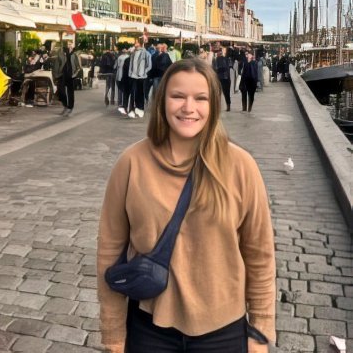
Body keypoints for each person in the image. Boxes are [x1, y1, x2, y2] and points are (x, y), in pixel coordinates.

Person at [97, 58, 275, 353]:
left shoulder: (241, 166)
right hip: (149, 327)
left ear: (213, 104)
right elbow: (109, 250)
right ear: (162, 99)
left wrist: (260, 330)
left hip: (223, 331)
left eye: (200, 98)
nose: (188, 107)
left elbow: (259, 254)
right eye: (178, 96)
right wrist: (113, 332)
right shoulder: (132, 163)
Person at [52, 40, 81, 116]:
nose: (69, 46)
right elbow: (56, 65)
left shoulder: (74, 55)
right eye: (68, 44)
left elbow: (78, 67)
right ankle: (65, 105)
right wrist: (56, 75)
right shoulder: (61, 54)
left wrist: (75, 74)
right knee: (61, 91)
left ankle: (70, 107)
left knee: (70, 92)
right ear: (66, 45)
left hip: (71, 76)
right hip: (62, 75)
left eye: (71, 44)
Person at [127, 40, 152, 119]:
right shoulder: (133, 53)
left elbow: (149, 65)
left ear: (140, 44)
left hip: (141, 77)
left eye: (136, 43)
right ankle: (132, 109)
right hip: (133, 76)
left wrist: (144, 72)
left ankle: (140, 108)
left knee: (140, 93)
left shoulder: (146, 53)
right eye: (135, 43)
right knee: (133, 93)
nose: (135, 44)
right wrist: (130, 73)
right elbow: (130, 64)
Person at [115, 49, 130, 114]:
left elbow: (116, 66)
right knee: (125, 90)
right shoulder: (128, 58)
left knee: (120, 89)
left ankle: (120, 102)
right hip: (125, 76)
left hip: (119, 75)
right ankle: (124, 103)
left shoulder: (119, 57)